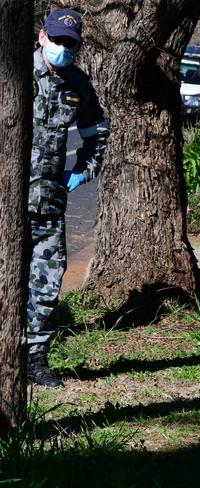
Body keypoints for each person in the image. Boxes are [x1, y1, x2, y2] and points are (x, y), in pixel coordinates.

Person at [27, 9, 109, 387]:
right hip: (6, 198)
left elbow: (98, 134)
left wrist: (80, 173)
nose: (61, 48)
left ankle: (34, 358)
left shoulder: (76, 84)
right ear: (42, 36)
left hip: (48, 199)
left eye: (69, 44)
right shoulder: (14, 75)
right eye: (57, 39)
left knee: (47, 277)